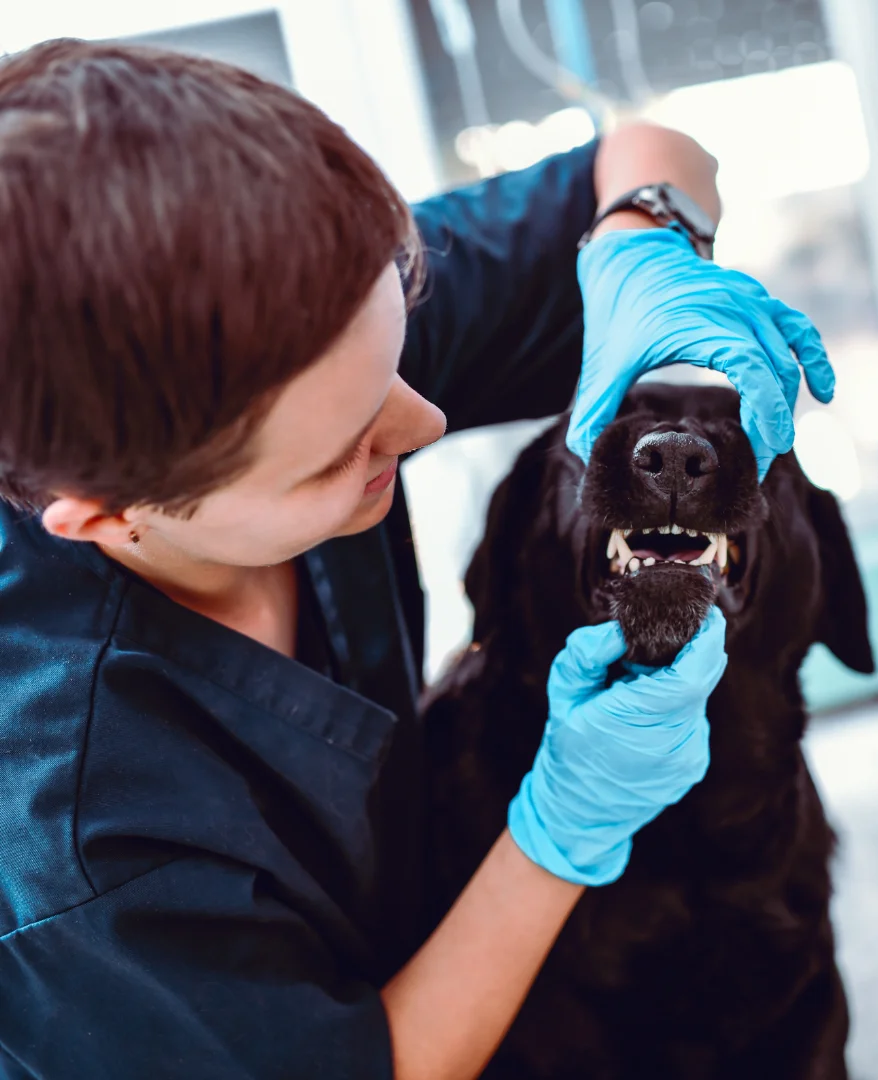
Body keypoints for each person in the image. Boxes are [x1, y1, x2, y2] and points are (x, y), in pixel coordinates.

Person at [0, 39, 833, 1080]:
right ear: (104, 516)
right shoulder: (74, 838)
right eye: (342, 445)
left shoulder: (299, 306)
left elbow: (647, 147)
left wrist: (644, 246)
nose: (428, 417)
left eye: (395, 353)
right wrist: (562, 828)